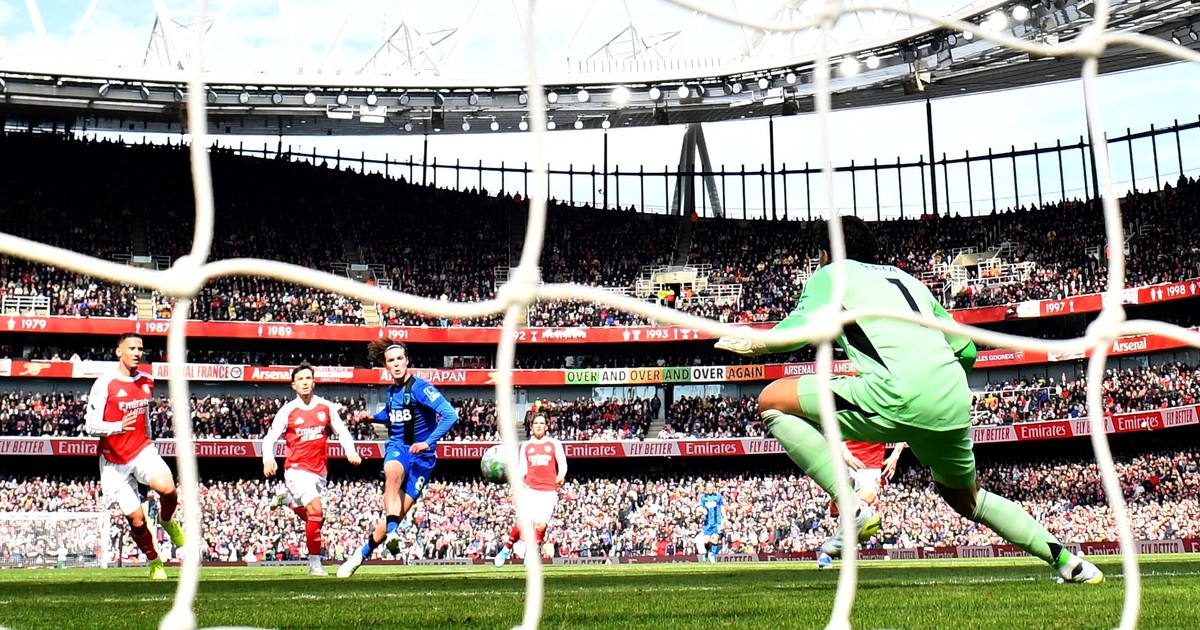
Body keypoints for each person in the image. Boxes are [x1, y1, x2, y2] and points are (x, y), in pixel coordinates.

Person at [715, 216, 1102, 584]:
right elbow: (966, 350)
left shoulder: (831, 274)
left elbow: (802, 329)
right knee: (969, 500)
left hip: (894, 393)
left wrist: (756, 342)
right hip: (951, 400)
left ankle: (852, 508)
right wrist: (934, 387)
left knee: (771, 400)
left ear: (826, 253)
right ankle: (1069, 562)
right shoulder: (908, 280)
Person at [338, 340, 459, 578]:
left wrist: (427, 442)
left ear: (407, 361)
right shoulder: (392, 391)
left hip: (422, 458)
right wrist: (372, 418)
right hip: (398, 446)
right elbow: (392, 415)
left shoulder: (421, 388)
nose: (396, 364)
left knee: (395, 514)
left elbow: (449, 415)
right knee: (392, 475)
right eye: (391, 360)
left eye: (399, 359)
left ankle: (359, 555)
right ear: (386, 366)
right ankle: (393, 533)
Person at [84, 332, 185, 580]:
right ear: (119, 352)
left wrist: (148, 439)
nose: (137, 353)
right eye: (132, 348)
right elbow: (90, 426)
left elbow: (144, 416)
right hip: (114, 460)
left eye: (140, 349)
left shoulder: (147, 380)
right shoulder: (104, 383)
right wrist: (118, 426)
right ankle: (155, 562)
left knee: (169, 490)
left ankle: (166, 520)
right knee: (137, 521)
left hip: (142, 449)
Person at [263, 362, 362, 576]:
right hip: (296, 469)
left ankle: (287, 501)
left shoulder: (326, 407)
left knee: (316, 518)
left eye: (308, 378)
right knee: (316, 510)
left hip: (319, 471)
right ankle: (315, 565)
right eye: (300, 379)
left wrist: (351, 451)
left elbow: (342, 431)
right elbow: (270, 438)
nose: (305, 382)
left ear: (314, 382)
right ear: (294, 385)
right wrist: (268, 458)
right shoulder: (288, 411)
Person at [494, 414, 568, 567]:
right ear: (532, 427)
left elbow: (562, 463)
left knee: (541, 525)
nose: (539, 425)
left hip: (548, 490)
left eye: (542, 423)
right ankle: (506, 549)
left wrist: (561, 475)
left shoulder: (554, 444)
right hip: (530, 489)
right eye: (536, 423)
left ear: (546, 427)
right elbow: (522, 469)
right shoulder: (527, 446)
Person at [817, 440, 905, 568]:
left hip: (872, 466)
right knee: (849, 509)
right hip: (844, 461)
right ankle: (836, 503)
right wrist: (847, 455)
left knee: (858, 510)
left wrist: (895, 455)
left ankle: (828, 553)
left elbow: (903, 429)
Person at [695, 482, 726, 563]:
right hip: (707, 523)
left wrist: (725, 518)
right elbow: (700, 508)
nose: (710, 489)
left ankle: (712, 555)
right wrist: (700, 512)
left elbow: (722, 507)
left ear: (713, 488)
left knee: (715, 539)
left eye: (711, 487)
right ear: (706, 488)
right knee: (706, 541)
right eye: (708, 487)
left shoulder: (718, 496)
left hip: (717, 522)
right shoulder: (703, 497)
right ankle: (707, 553)